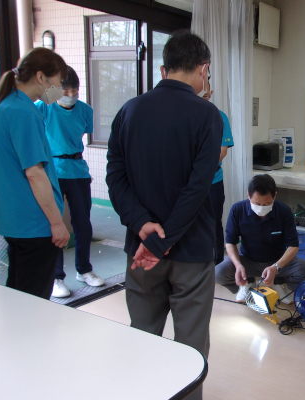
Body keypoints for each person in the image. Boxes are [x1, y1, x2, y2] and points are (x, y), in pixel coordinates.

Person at [106, 30, 222, 400]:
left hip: (141, 252)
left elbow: (115, 177)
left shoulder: (129, 111)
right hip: (190, 252)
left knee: (141, 337)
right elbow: (197, 189)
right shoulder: (208, 115)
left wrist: (143, 226)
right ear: (203, 69)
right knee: (190, 349)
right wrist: (163, 240)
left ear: (163, 69)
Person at [0, 48, 70, 299]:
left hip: (14, 222)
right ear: (41, 77)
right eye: (59, 81)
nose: (60, 88)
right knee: (34, 300)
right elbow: (35, 174)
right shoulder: (24, 112)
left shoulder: (5, 106)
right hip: (35, 224)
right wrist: (57, 223)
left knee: (18, 295)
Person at [36, 66, 104, 298]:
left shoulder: (85, 110)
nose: (71, 95)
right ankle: (56, 277)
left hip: (78, 171)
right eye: (66, 90)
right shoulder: (43, 108)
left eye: (75, 90)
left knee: (83, 223)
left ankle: (84, 269)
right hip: (52, 171)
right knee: (55, 225)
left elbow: (82, 134)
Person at [215, 174, 305, 304]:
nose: (262, 207)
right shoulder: (238, 210)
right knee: (218, 272)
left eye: (267, 203)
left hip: (278, 261)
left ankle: (279, 282)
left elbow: (293, 246)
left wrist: (276, 267)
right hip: (248, 260)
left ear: (275, 195)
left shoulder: (284, 211)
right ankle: (247, 283)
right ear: (248, 195)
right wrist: (238, 265)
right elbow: (230, 242)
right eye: (257, 203)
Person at [202, 76, 234, 266]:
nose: (203, 99)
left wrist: (201, 170)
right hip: (186, 183)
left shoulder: (219, 116)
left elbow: (223, 150)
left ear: (211, 93)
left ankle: (217, 263)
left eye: (206, 96)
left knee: (213, 222)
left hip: (213, 181)